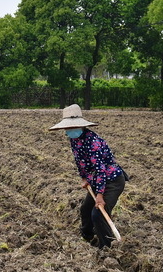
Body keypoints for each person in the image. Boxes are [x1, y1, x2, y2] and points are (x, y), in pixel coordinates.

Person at [49, 104, 128, 249]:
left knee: (98, 213)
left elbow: (100, 170)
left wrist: (99, 195)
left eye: (70, 128)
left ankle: (107, 248)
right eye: (67, 129)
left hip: (112, 181)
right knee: (85, 209)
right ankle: (88, 237)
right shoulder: (75, 139)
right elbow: (79, 161)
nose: (68, 132)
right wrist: (84, 178)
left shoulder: (93, 142)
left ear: (80, 126)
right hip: (97, 180)